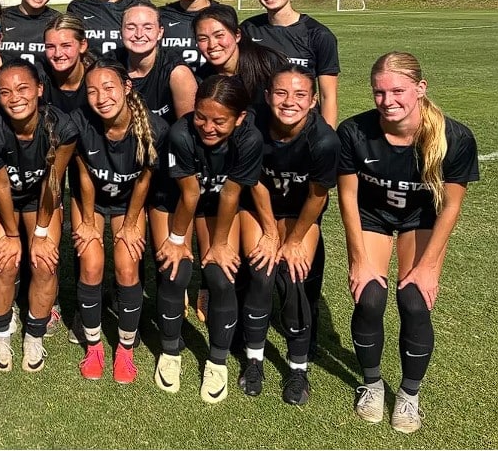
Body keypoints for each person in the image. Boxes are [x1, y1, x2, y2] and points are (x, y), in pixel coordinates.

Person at [339, 52, 478, 433]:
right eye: (379, 93)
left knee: (415, 302)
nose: (388, 101)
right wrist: (359, 260)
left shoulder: (454, 137)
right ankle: (371, 385)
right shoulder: (354, 132)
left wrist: (430, 267)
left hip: (421, 219)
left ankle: (409, 395)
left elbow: (450, 207)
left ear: (420, 88)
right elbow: (348, 197)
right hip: (373, 218)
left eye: (398, 91)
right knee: (369, 295)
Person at [235, 65, 339, 405]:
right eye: (280, 93)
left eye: (299, 95)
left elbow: (317, 196)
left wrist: (292, 240)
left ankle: (298, 369)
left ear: (312, 101)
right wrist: (269, 230)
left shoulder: (323, 140)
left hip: (299, 214)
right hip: (259, 208)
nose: (289, 102)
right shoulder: (252, 126)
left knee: (294, 277)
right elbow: (256, 181)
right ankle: (254, 360)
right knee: (262, 275)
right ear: (267, 96)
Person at [156, 74, 262, 403]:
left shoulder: (250, 138)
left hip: (219, 203)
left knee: (221, 276)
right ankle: (170, 352)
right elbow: (188, 195)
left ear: (240, 118)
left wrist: (218, 245)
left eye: (220, 121)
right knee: (175, 271)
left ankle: (218, 361)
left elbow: (231, 193)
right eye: (201, 116)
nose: (207, 126)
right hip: (174, 201)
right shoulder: (180, 133)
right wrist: (176, 240)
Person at [69, 58, 167, 382]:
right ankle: (94, 345)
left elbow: (143, 180)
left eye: (109, 87)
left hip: (129, 204)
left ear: (126, 87)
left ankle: (125, 348)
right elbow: (83, 176)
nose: (101, 97)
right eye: (93, 90)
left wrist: (129, 224)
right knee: (91, 262)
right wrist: (85, 221)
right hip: (92, 202)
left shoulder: (153, 127)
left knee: (127, 265)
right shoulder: (81, 122)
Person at [0, 60, 78, 373]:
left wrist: (39, 233)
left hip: (41, 202)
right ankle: (0, 332)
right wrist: (11, 235)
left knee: (44, 263)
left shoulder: (63, 127)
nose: (15, 97)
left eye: (23, 88)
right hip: (2, 202)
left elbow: (53, 183)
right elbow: (1, 185)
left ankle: (34, 334)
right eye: (5, 92)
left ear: (39, 89)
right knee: (6, 263)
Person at [242, 0, 341, 128]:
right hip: (259, 129)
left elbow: (327, 96)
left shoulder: (319, 35)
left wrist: (327, 138)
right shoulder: (248, 30)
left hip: (302, 130)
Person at [118, 0, 197, 124]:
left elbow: (186, 132)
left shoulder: (177, 73)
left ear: (160, 33)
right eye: (131, 27)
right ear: (120, 31)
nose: (139, 34)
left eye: (148, 28)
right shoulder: (110, 66)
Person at [193, 5, 286, 106]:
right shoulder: (202, 78)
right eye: (203, 39)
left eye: (219, 35)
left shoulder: (268, 64)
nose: (212, 45)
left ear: (237, 35)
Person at [39, 14, 95, 113]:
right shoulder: (39, 81)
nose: (57, 54)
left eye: (66, 46)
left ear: (82, 45)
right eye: (50, 46)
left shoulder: (97, 80)